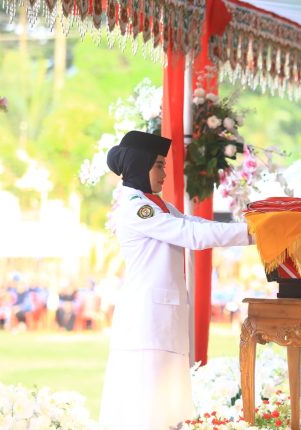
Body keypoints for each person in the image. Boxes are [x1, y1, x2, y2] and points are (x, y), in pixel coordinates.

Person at [99, 130, 252, 430]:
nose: (164, 173)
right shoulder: (137, 208)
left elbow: (196, 224)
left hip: (161, 323)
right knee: (146, 413)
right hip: (146, 326)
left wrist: (250, 227)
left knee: (167, 412)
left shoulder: (158, 205)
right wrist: (252, 233)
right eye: (159, 165)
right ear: (140, 164)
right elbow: (192, 235)